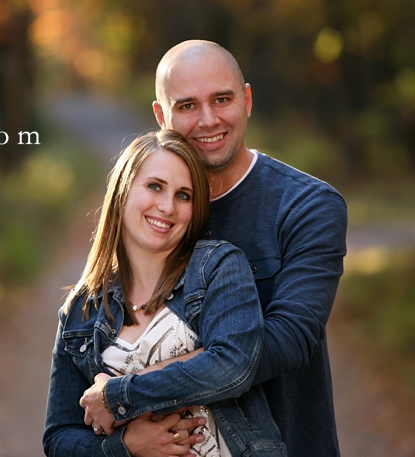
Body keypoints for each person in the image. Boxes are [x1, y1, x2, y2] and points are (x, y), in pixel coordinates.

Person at [144, 40, 347, 457]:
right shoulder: (146, 216)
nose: (208, 119)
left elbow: (288, 339)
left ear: (247, 100)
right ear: (161, 116)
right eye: (186, 106)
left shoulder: (306, 206)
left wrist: (137, 389)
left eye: (222, 99)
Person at [43, 130, 285, 457]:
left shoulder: (217, 267)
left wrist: (115, 397)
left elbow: (233, 364)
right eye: (155, 186)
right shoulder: (81, 310)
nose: (167, 206)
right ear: (123, 191)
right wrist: (126, 446)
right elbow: (59, 439)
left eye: (184, 195)